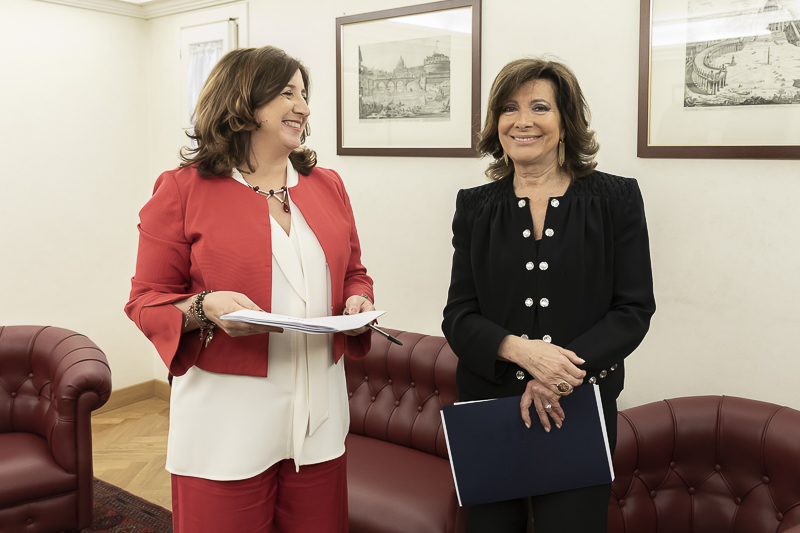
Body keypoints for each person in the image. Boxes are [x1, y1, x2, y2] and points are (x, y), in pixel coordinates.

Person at [124, 46, 374, 533]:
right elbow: (145, 302)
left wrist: (357, 299)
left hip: (321, 416)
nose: (303, 107)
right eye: (288, 93)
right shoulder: (182, 189)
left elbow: (354, 272)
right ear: (244, 101)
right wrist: (203, 307)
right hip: (227, 421)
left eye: (304, 94)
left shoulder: (328, 185)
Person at [442, 57, 656, 533]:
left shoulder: (616, 200)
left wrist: (557, 376)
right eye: (509, 108)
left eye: (540, 107)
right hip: (489, 411)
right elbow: (458, 315)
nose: (522, 121)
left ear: (565, 121)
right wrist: (522, 352)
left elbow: (633, 309)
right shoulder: (474, 207)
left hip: (577, 408)